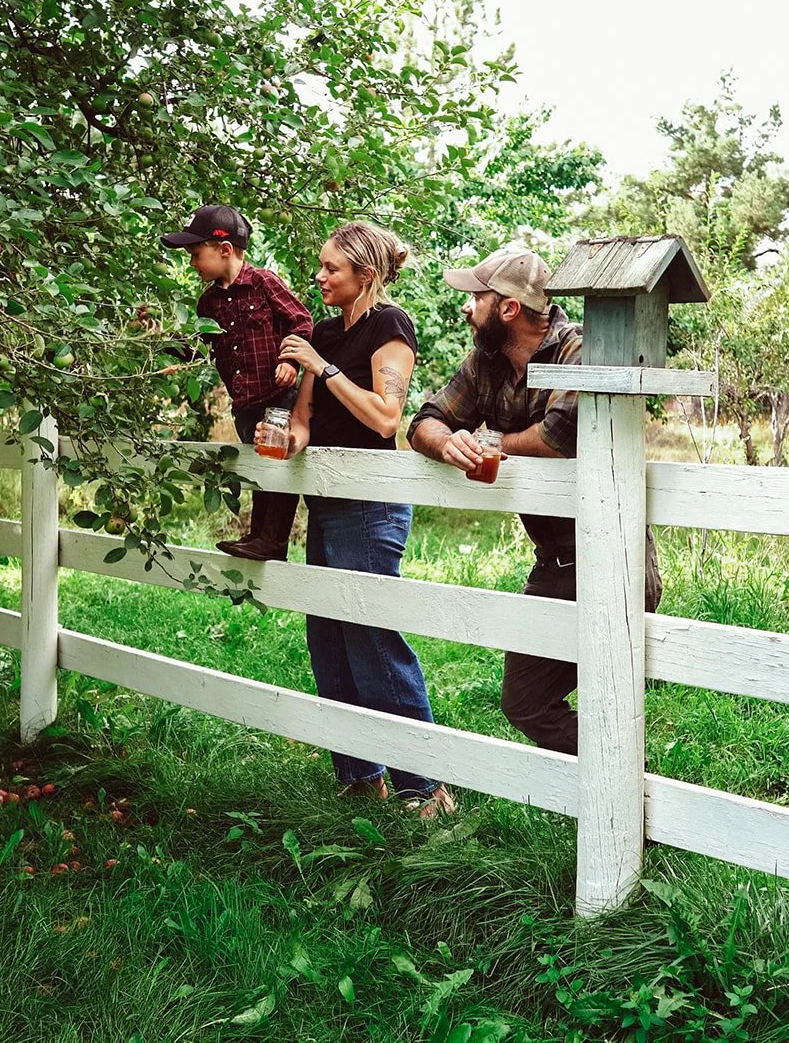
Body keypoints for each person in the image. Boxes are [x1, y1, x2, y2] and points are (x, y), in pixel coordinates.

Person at [407, 248, 663, 755]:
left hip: (614, 559)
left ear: (507, 309)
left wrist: (491, 441)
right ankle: (617, 784)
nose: (465, 308)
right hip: (554, 564)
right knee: (524, 702)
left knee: (607, 687)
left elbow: (558, 436)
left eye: (475, 298)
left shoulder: (579, 348)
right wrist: (448, 443)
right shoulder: (487, 363)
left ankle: (627, 789)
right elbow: (425, 420)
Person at [276, 221, 455, 817]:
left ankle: (425, 788)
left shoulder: (390, 325)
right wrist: (286, 438)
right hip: (325, 500)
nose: (319, 277)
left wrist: (323, 367)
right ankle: (359, 776)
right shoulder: (324, 332)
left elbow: (385, 417)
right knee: (328, 638)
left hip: (371, 505)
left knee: (373, 640)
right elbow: (304, 419)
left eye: (331, 268)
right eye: (321, 266)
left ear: (366, 274)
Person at [161, 205, 311, 561]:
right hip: (244, 404)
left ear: (225, 249)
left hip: (278, 396)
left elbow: (301, 321)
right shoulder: (208, 303)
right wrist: (160, 343)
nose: (192, 263)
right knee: (261, 470)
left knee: (277, 465)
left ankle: (272, 540)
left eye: (196, 254)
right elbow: (200, 347)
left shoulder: (264, 283)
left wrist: (290, 360)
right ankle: (258, 536)